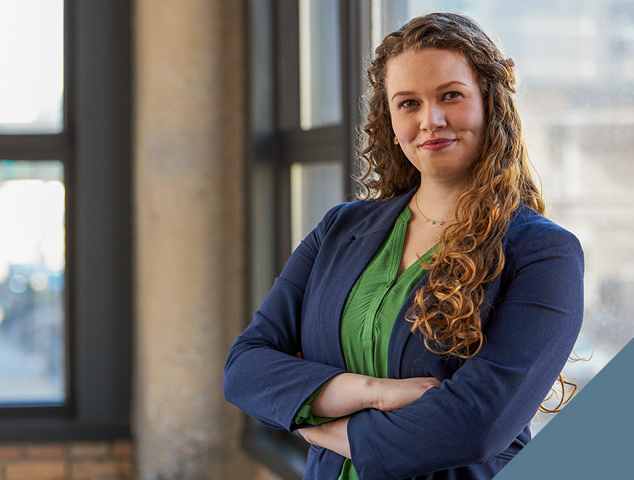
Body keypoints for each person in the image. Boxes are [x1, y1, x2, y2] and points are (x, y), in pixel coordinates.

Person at [223, 12, 584, 480]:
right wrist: (371, 391)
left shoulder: (544, 254)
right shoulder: (340, 229)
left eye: (450, 96)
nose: (430, 121)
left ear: (490, 104)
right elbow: (245, 367)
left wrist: (316, 422)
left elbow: (475, 426)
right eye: (408, 103)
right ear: (389, 120)